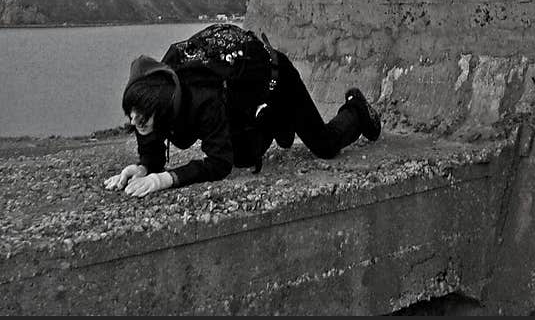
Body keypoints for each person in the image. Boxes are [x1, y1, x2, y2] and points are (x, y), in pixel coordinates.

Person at [103, 22, 380, 198]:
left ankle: (356, 109)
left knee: (325, 145)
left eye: (141, 117)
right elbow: (152, 142)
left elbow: (218, 163)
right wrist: (142, 167)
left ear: (163, 108)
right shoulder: (154, 93)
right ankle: (275, 122)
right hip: (243, 98)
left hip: (277, 79)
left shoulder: (202, 98)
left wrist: (167, 179)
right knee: (245, 157)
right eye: (132, 115)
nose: (134, 120)